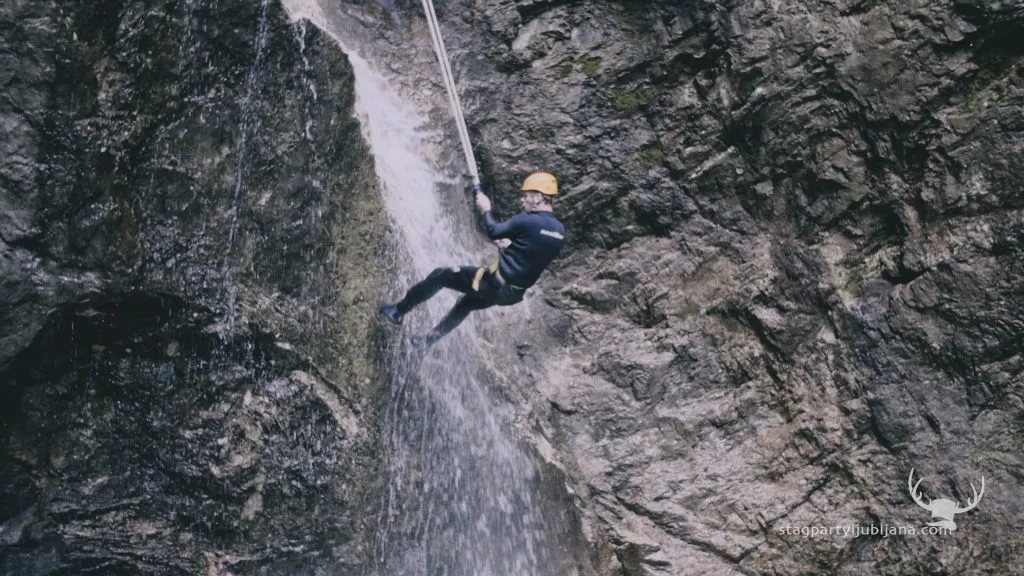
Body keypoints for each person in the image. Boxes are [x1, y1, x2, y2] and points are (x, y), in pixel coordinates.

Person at [377, 171, 566, 349]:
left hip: (494, 283)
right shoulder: (559, 231)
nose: (522, 199)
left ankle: (398, 311)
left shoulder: (529, 220)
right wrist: (511, 247)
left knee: (440, 275)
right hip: (511, 295)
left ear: (539, 196)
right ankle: (427, 341)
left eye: (526, 195)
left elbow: (493, 230)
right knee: (465, 304)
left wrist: (485, 209)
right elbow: (533, 255)